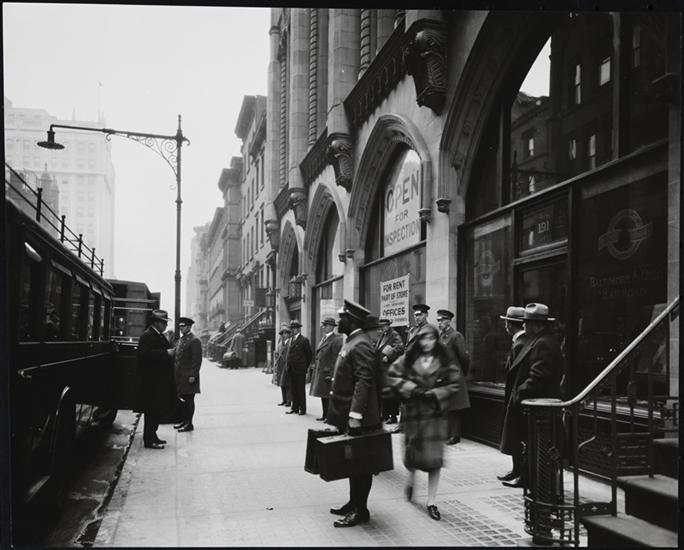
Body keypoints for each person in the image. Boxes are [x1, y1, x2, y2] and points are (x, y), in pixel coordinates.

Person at [386, 323, 466, 521]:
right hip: (414, 415)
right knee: (412, 456)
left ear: (436, 340)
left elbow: (455, 383)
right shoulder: (409, 358)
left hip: (434, 416)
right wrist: (411, 388)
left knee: (434, 460)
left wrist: (437, 393)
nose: (427, 342)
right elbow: (393, 375)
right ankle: (411, 479)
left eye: (431, 338)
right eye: (424, 338)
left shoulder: (444, 359)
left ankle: (432, 502)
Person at [326, 299, 383, 528]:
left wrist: (355, 416)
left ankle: (361, 510)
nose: (339, 321)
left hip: (359, 419)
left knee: (361, 466)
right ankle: (354, 502)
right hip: (349, 415)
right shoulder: (352, 341)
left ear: (351, 321)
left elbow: (363, 381)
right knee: (353, 463)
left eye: (342, 317)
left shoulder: (360, 344)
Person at [501, 303, 563, 489]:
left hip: (538, 406)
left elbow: (538, 376)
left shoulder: (543, 343)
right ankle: (530, 479)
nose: (524, 325)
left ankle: (534, 482)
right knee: (530, 444)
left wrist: (520, 393)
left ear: (535, 324)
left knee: (535, 445)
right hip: (534, 405)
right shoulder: (539, 340)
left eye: (526, 322)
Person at [137, 309, 176, 449]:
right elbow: (144, 355)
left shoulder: (157, 335)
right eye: (164, 323)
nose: (166, 325)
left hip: (158, 381)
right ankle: (149, 440)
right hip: (152, 382)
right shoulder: (147, 335)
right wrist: (166, 353)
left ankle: (153, 436)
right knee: (152, 412)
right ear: (156, 323)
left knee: (156, 411)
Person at [497, 306, 528, 483]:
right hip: (515, 396)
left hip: (516, 397)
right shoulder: (520, 342)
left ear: (509, 324)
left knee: (517, 435)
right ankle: (517, 470)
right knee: (515, 435)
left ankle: (520, 472)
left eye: (506, 322)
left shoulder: (521, 343)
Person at [436, 309, 471, 444]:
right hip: (443, 376)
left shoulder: (456, 336)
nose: (440, 323)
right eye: (438, 320)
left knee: (454, 407)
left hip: (453, 376)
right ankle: (446, 433)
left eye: (442, 320)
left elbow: (464, 357)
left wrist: (461, 373)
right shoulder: (441, 336)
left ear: (449, 321)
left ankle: (455, 435)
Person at [309, 317, 343, 422]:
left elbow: (335, 358)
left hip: (327, 372)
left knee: (328, 396)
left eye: (326, 325)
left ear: (332, 327)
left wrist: (332, 373)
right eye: (324, 325)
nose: (323, 327)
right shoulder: (324, 338)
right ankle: (325, 415)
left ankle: (328, 416)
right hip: (321, 371)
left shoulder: (336, 339)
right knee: (323, 395)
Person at [173, 316, 202, 432]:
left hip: (189, 376)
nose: (181, 328)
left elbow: (196, 360)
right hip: (181, 376)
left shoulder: (194, 340)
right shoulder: (182, 339)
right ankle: (184, 421)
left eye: (183, 326)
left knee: (189, 401)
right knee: (184, 400)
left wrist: (193, 375)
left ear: (189, 327)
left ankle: (189, 424)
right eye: (180, 326)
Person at [375, 318, 404, 424]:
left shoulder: (393, 334)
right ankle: (385, 415)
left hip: (389, 369)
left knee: (391, 394)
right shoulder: (383, 335)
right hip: (382, 369)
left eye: (384, 326)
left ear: (388, 325)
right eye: (381, 326)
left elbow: (400, 347)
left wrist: (389, 356)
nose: (382, 328)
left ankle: (393, 416)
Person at [285, 320, 313, 415]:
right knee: (293, 389)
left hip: (300, 369)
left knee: (300, 390)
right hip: (292, 368)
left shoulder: (304, 340)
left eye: (295, 328)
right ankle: (295, 408)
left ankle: (302, 409)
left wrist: (305, 366)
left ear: (299, 329)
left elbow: (309, 355)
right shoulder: (291, 340)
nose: (293, 330)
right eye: (292, 328)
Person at [272, 323, 292, 407]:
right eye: (282, 334)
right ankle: (284, 400)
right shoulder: (280, 344)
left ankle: (289, 400)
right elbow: (277, 354)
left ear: (288, 334)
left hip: (287, 365)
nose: (284, 335)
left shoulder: (290, 343)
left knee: (287, 384)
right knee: (282, 384)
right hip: (280, 366)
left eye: (286, 333)